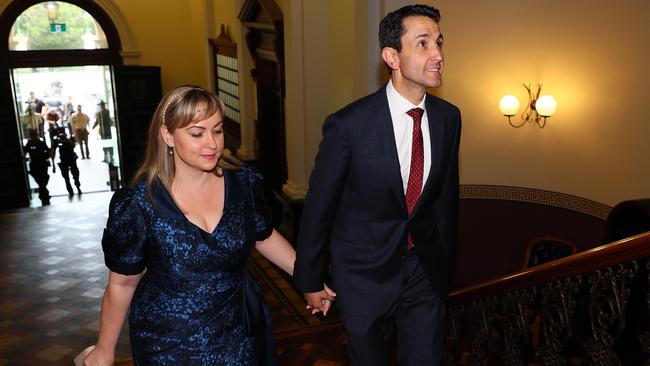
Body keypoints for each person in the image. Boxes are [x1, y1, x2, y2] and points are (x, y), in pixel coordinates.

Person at [78, 86, 334, 366]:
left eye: (218, 130)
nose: (212, 143)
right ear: (168, 135)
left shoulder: (243, 183)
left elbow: (264, 236)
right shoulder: (139, 203)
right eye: (197, 133)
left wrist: (309, 279)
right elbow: (123, 283)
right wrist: (105, 350)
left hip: (238, 331)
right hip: (167, 340)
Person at [293, 4, 461, 365]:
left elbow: (445, 198)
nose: (438, 54)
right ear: (392, 56)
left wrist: (444, 265)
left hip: (423, 273)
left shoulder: (449, 119)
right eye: (423, 43)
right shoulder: (348, 126)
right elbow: (320, 207)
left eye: (439, 42)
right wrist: (308, 278)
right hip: (363, 277)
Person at [51, 128, 82, 198]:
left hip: (71, 159)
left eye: (63, 133)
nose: (62, 135)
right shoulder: (56, 141)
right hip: (62, 161)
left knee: (76, 175)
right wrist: (53, 165)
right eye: (60, 133)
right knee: (66, 178)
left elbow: (73, 145)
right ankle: (70, 191)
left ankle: (78, 187)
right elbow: (53, 152)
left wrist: (66, 140)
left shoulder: (70, 139)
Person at [23, 128, 51, 206]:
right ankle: (44, 194)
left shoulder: (41, 143)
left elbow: (48, 150)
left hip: (42, 164)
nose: (34, 137)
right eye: (32, 135)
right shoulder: (29, 143)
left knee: (43, 179)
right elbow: (25, 151)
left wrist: (47, 157)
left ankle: (44, 194)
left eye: (34, 135)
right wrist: (25, 158)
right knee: (39, 180)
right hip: (34, 165)